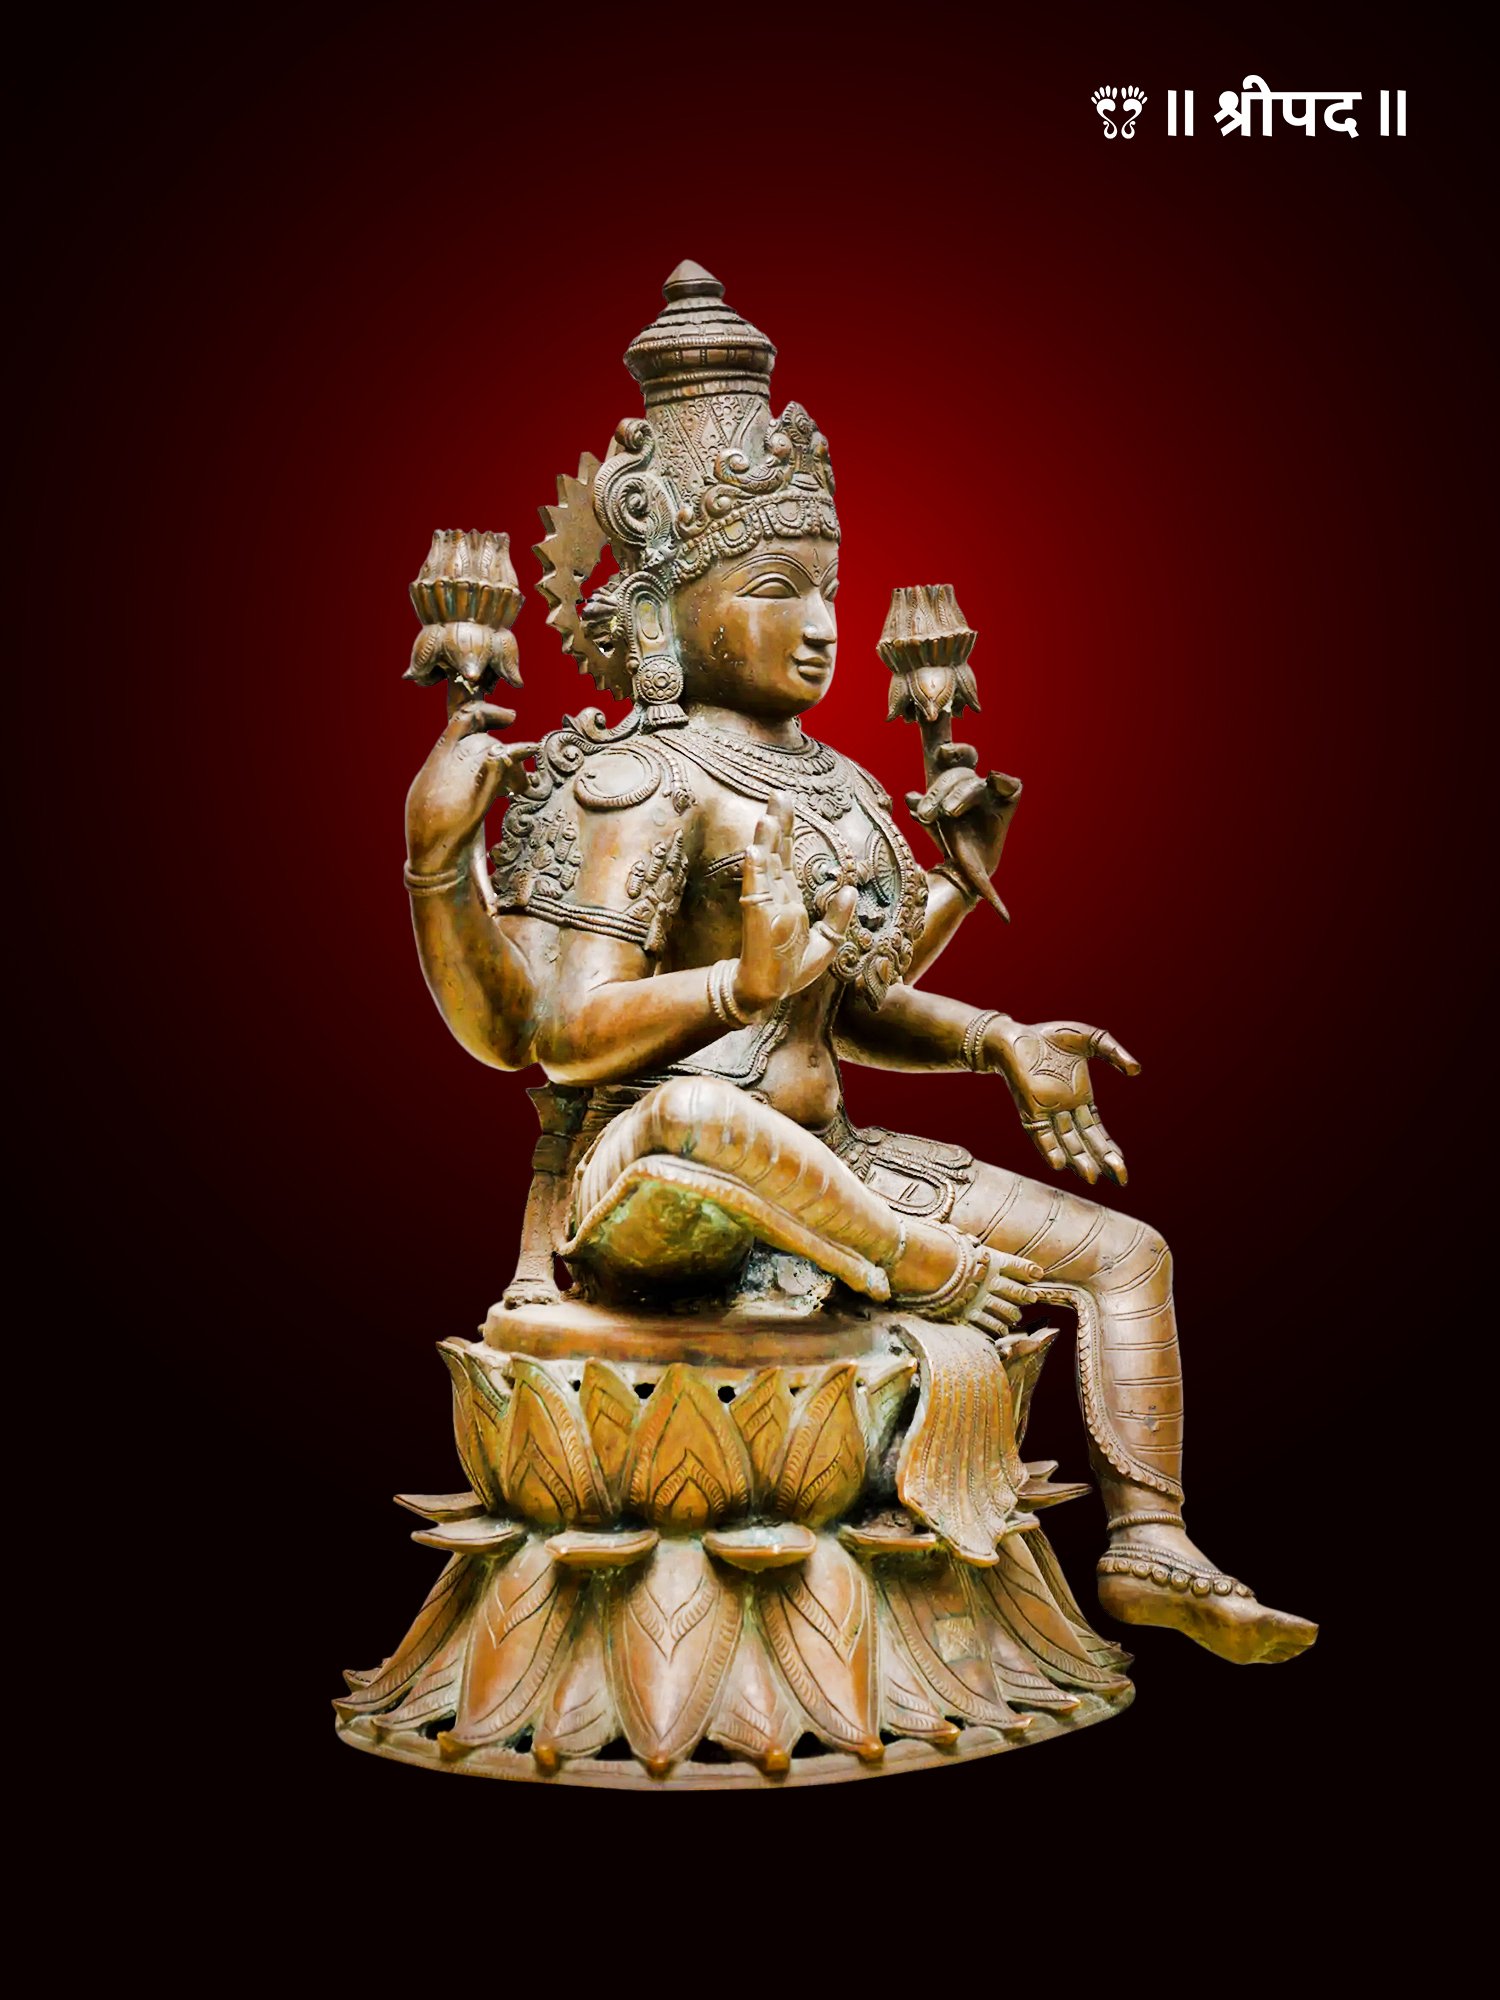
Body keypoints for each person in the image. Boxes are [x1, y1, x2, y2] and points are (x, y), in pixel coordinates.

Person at [401, 263, 1314, 1668]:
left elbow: (854, 995)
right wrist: (736, 992)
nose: (822, 622)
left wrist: (992, 1026)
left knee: (1127, 1256)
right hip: (653, 1175)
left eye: (828, 585)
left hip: (818, 1162)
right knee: (704, 1107)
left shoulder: (833, 782)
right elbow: (564, 1035)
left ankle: (1151, 1543)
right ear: (663, 612)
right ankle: (920, 1271)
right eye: (776, 588)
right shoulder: (633, 781)